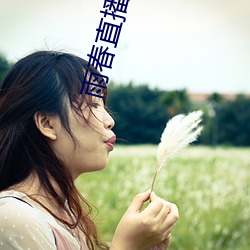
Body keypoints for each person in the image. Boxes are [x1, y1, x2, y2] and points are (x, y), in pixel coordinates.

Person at [0, 51, 179, 250]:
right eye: (93, 104)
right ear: (47, 123)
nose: (110, 121)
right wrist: (126, 246)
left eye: (103, 106)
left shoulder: (63, 213)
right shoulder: (14, 217)